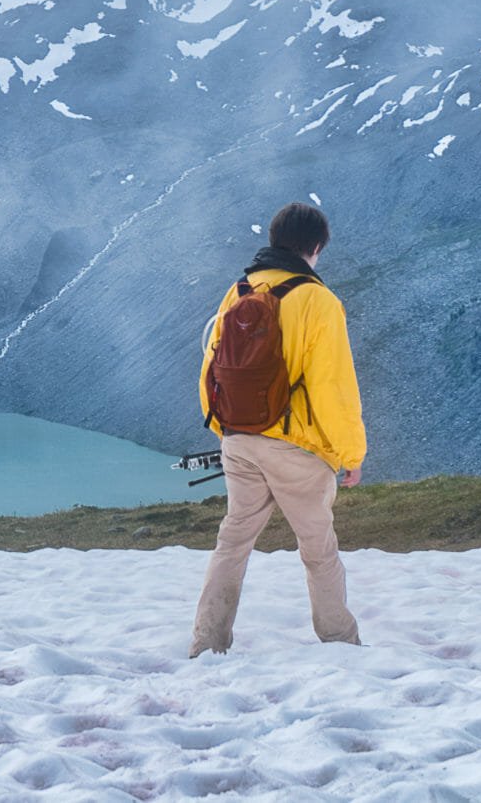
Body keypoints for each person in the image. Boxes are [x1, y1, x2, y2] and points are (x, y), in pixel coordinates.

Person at [189, 201, 365, 656]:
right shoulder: (318, 301)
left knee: (232, 543)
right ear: (316, 247)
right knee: (318, 549)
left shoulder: (240, 291)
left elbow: (213, 365)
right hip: (295, 449)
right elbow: (333, 387)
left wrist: (226, 430)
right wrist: (350, 456)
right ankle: (341, 643)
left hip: (239, 440)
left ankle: (207, 642)